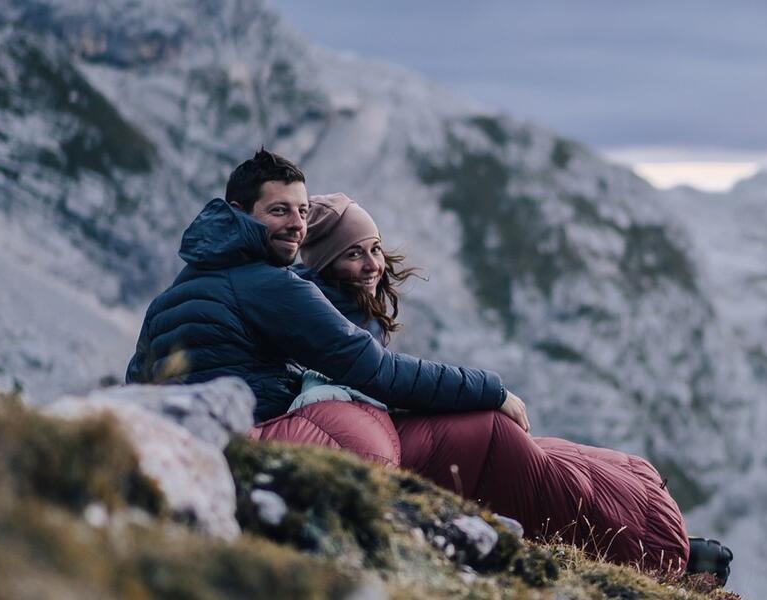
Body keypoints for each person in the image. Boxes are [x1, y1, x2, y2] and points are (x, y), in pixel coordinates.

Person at [289, 192, 731, 580]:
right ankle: (668, 554)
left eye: (376, 249)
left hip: (401, 436)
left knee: (559, 460)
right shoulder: (324, 317)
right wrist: (492, 390)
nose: (372, 265)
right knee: (536, 473)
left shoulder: (345, 304)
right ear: (327, 263)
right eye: (354, 255)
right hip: (389, 448)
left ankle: (657, 527)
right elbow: (390, 377)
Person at [124, 150, 526, 462]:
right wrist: (492, 389)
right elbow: (376, 370)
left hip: (175, 451)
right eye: (279, 210)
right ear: (237, 212)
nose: (297, 224)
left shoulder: (171, 295)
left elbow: (137, 388)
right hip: (255, 452)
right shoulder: (267, 283)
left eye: (302, 211)